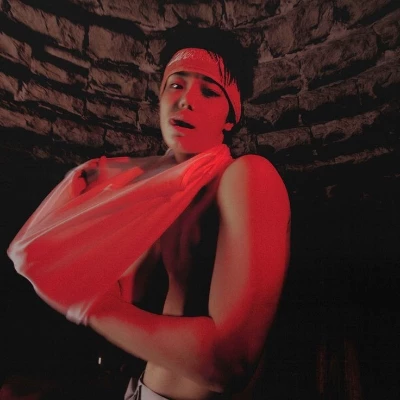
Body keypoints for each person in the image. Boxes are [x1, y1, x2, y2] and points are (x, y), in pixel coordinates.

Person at [8, 25, 290, 399]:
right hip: (137, 388)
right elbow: (128, 304)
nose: (186, 100)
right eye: (175, 85)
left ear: (230, 116)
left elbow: (229, 363)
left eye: (209, 91)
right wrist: (98, 189)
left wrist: (91, 305)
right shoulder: (160, 194)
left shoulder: (247, 176)